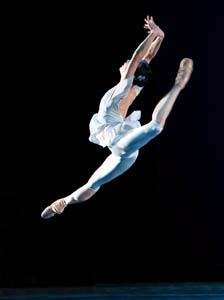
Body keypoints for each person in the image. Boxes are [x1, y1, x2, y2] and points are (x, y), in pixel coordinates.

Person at [41, 16, 193, 219]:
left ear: (131, 70)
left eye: (130, 63)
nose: (126, 63)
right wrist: (159, 35)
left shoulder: (124, 86)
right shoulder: (135, 88)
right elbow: (146, 58)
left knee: (155, 128)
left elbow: (139, 55)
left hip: (122, 145)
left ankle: (178, 84)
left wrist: (156, 34)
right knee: (92, 184)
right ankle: (64, 202)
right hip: (125, 152)